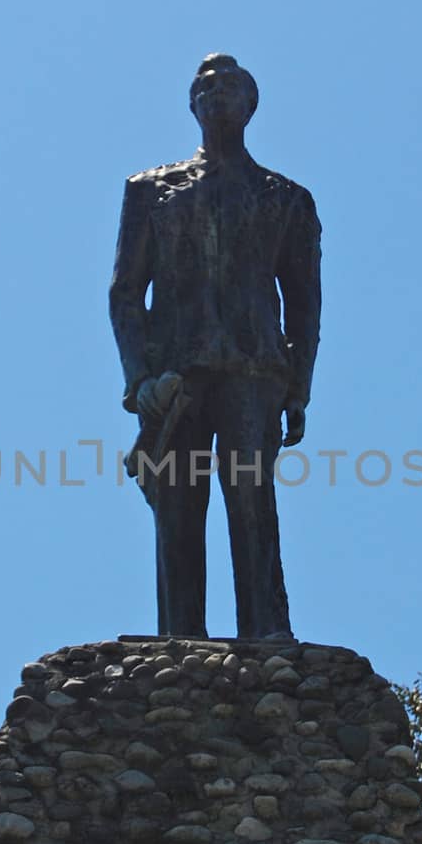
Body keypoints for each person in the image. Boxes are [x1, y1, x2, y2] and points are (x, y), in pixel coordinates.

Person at [109, 53, 321, 639]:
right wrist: (139, 380)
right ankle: (181, 637)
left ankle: (266, 633)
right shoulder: (150, 191)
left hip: (256, 371)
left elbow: (304, 302)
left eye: (231, 86)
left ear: (251, 104)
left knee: (252, 505)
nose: (218, 94)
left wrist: (299, 386)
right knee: (177, 508)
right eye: (206, 86)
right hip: (176, 372)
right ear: (192, 104)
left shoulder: (287, 199)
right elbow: (126, 293)